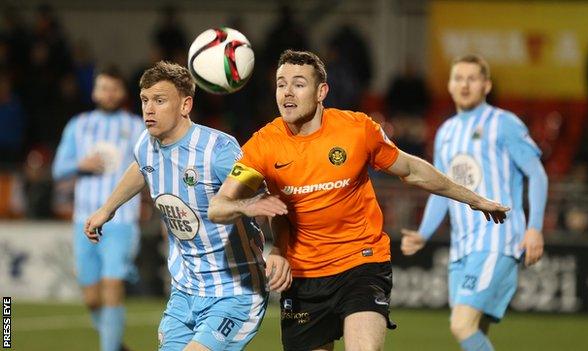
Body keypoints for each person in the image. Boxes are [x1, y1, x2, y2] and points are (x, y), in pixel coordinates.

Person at [207, 49, 509, 351]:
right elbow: (219, 207)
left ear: (321, 91)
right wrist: (250, 209)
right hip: (303, 277)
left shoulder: (357, 130)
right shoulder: (263, 145)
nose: (287, 92)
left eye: (298, 84)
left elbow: (413, 170)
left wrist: (473, 199)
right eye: (281, 84)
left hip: (361, 263)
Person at [84, 61, 268, 351]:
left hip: (234, 291)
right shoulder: (146, 143)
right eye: (145, 100)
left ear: (185, 105)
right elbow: (141, 167)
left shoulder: (218, 151)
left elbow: (261, 195)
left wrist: (279, 248)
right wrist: (108, 208)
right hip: (185, 291)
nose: (149, 109)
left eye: (160, 100)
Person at [400, 54, 548, 351]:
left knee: (461, 324)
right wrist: (423, 234)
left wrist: (535, 228)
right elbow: (442, 189)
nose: (464, 84)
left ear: (486, 85)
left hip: (497, 238)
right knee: (475, 329)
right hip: (463, 246)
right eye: (458, 78)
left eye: (472, 78)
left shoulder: (503, 124)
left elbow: (538, 174)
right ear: (450, 86)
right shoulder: (446, 132)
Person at [52, 66, 145, 351]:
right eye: (104, 87)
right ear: (94, 91)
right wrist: (81, 165)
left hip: (122, 221)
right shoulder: (78, 125)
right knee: (92, 298)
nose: (108, 93)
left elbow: (149, 164)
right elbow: (58, 169)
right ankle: (116, 344)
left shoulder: (136, 126)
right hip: (84, 220)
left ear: (123, 93)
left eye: (114, 88)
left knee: (112, 287)